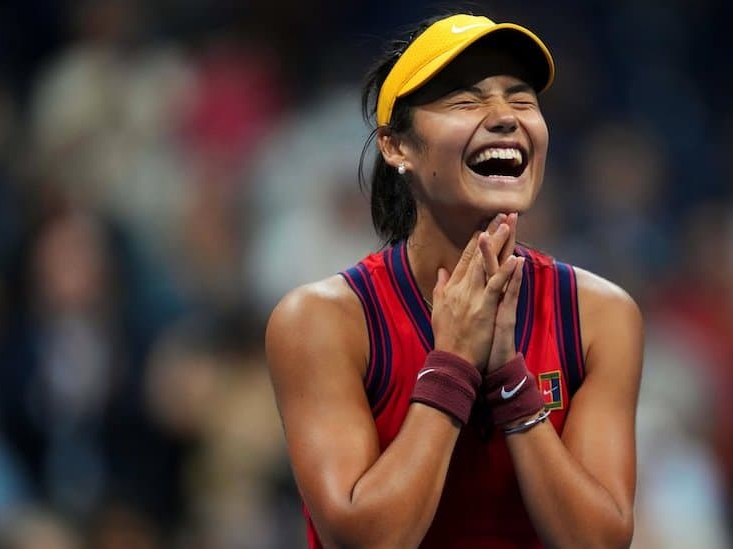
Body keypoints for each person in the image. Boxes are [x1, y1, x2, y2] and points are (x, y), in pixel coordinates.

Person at [265, 13, 643, 548]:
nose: (505, 118)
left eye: (522, 99)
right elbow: (366, 540)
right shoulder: (323, 320)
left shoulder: (600, 314)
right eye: (465, 101)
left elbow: (601, 543)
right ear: (397, 147)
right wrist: (453, 365)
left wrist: (511, 382)